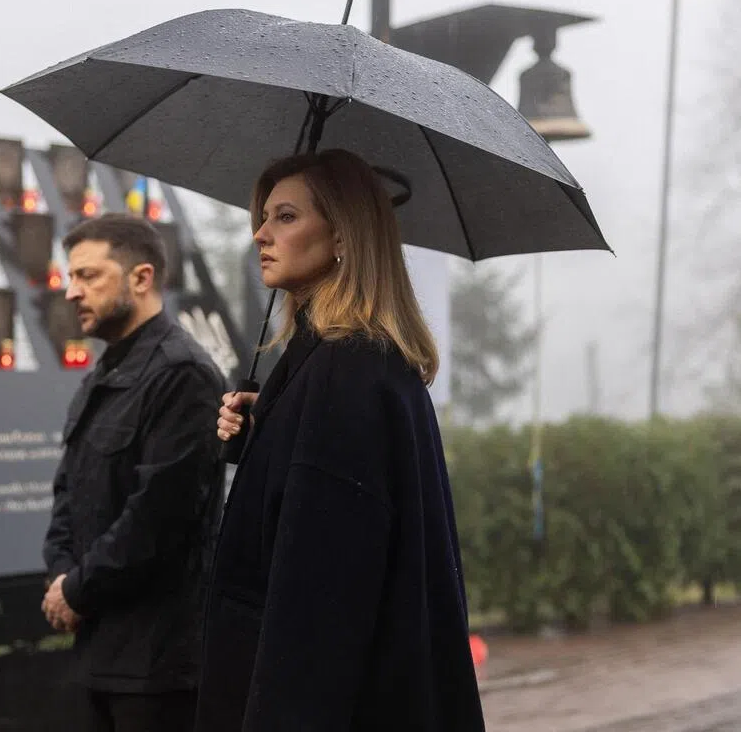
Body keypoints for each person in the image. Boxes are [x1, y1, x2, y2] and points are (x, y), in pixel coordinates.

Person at [194, 149, 486, 731]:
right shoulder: (359, 363)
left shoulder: (343, 371)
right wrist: (269, 428)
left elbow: (320, 598)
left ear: (344, 238)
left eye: (285, 216)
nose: (259, 234)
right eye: (264, 217)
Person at [41, 213, 227, 732]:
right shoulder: (100, 379)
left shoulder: (183, 374)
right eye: (71, 277)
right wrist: (61, 579)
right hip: (96, 651)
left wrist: (77, 590)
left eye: (89, 276)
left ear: (141, 278)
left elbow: (157, 517)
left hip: (157, 667)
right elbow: (67, 497)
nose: (72, 291)